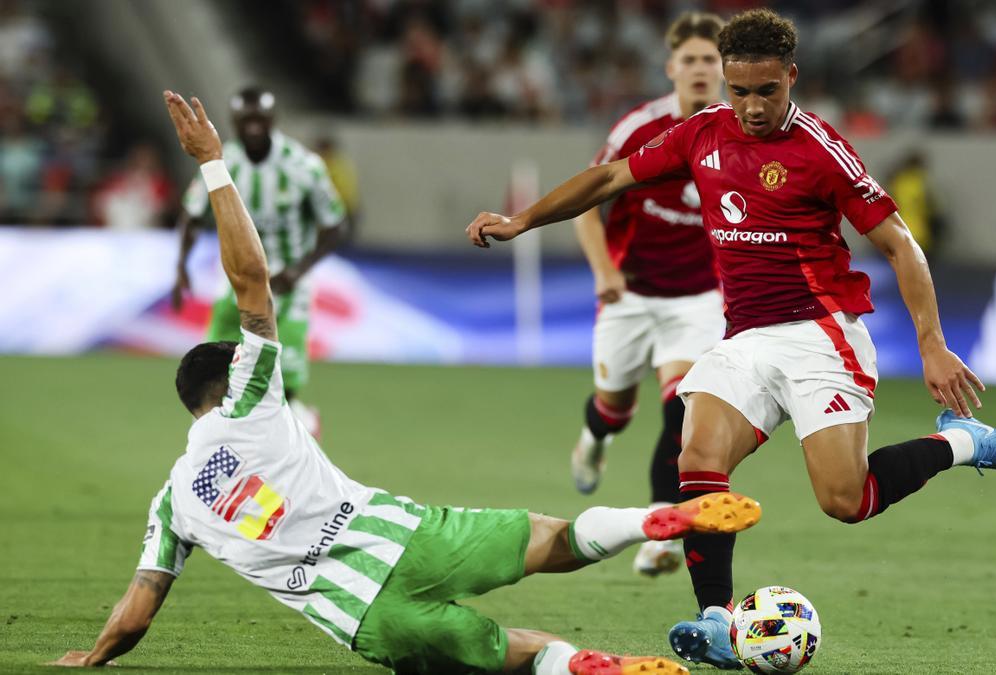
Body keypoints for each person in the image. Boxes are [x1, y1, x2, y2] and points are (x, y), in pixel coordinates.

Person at [48, 91, 764, 675]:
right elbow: (251, 280)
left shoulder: (173, 500)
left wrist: (97, 655)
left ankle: (585, 666)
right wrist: (211, 162)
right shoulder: (249, 392)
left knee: (511, 653)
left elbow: (142, 599)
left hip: (363, 615)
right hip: (411, 536)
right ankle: (650, 520)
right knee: (554, 537)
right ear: (226, 371)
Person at [466, 9, 996, 669]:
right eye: (739, 91)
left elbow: (901, 244)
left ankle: (964, 442)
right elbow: (608, 179)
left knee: (843, 501)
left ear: (791, 78)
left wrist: (932, 344)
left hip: (821, 336)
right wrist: (521, 221)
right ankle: (715, 618)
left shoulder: (820, 151)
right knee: (698, 455)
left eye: (766, 91)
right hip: (743, 338)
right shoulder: (701, 134)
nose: (751, 106)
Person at [569, 11, 726, 579]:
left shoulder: (740, 132)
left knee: (683, 410)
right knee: (614, 408)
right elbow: (586, 199)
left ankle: (662, 526)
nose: (701, 69)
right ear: (671, 68)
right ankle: (594, 437)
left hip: (697, 300)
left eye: (711, 59)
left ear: (725, 68)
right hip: (629, 295)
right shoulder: (639, 128)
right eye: (691, 60)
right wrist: (604, 270)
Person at [171, 86, 346, 438]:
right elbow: (190, 215)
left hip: (287, 284)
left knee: (285, 379)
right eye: (244, 119)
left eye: (258, 118)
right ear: (235, 121)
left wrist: (298, 270)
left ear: (271, 120)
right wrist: (180, 268)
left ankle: (295, 426)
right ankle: (224, 440)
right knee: (212, 368)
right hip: (235, 283)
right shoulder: (222, 162)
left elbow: (336, 224)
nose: (252, 126)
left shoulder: (303, 166)